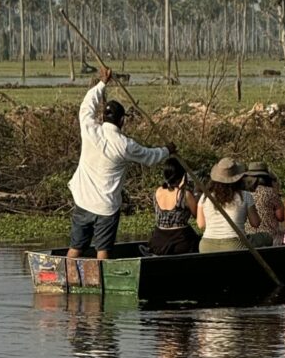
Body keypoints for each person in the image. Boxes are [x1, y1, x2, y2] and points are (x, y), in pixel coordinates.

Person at [68, 66, 174, 260]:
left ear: (103, 117)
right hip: (106, 207)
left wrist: (102, 83)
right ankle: (101, 282)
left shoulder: (90, 129)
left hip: (83, 200)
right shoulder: (125, 145)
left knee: (76, 247)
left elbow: (86, 105)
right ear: (122, 121)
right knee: (103, 251)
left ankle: (64, 275)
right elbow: (150, 157)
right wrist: (167, 150)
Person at [196, 157, 273, 253]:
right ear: (238, 178)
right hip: (235, 244)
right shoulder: (245, 195)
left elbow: (201, 225)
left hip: (206, 245)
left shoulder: (205, 197)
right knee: (267, 237)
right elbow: (255, 223)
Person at [147, 157, 200, 255]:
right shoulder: (185, 194)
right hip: (181, 242)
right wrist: (196, 194)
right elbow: (197, 216)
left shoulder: (157, 191)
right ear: (183, 175)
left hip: (158, 242)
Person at [246, 161, 285, 246]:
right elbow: (281, 217)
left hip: (249, 237)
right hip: (270, 238)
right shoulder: (270, 192)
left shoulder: (244, 194)